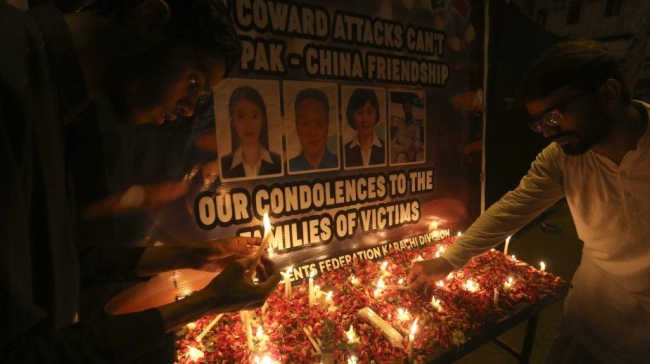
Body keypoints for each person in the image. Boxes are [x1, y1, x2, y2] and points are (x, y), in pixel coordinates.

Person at [0, 0, 281, 362]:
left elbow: (63, 259)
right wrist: (208, 301)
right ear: (148, 20)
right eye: (192, 81)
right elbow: (20, 352)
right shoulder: (11, 78)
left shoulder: (51, 96)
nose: (189, 109)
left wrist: (197, 253)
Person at [408, 40, 650, 364]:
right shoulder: (564, 157)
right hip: (590, 321)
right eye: (539, 123)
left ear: (607, 95)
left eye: (555, 116)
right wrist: (450, 260)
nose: (548, 133)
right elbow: (516, 205)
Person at [221, 86, 282, 178]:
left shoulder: (278, 162)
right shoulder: (223, 165)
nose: (248, 125)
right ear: (232, 121)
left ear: (263, 120)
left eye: (254, 116)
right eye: (241, 116)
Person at [289, 88, 339, 171]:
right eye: (305, 123)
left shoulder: (341, 164)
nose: (312, 133)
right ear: (297, 127)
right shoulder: (289, 168)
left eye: (319, 123)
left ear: (327, 126)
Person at [344, 88, 386, 168]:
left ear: (376, 114)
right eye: (359, 113)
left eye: (369, 112)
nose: (365, 119)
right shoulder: (344, 151)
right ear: (352, 115)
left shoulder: (386, 149)